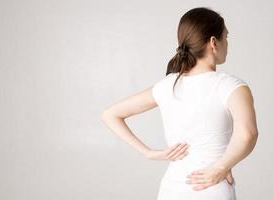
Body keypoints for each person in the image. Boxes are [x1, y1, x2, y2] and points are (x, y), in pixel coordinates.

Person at [101, 7, 258, 200]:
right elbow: (247, 135)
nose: (227, 43)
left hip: (172, 188)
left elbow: (110, 114)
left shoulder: (166, 86)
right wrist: (222, 167)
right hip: (211, 188)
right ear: (213, 42)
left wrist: (148, 153)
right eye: (226, 37)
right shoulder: (232, 86)